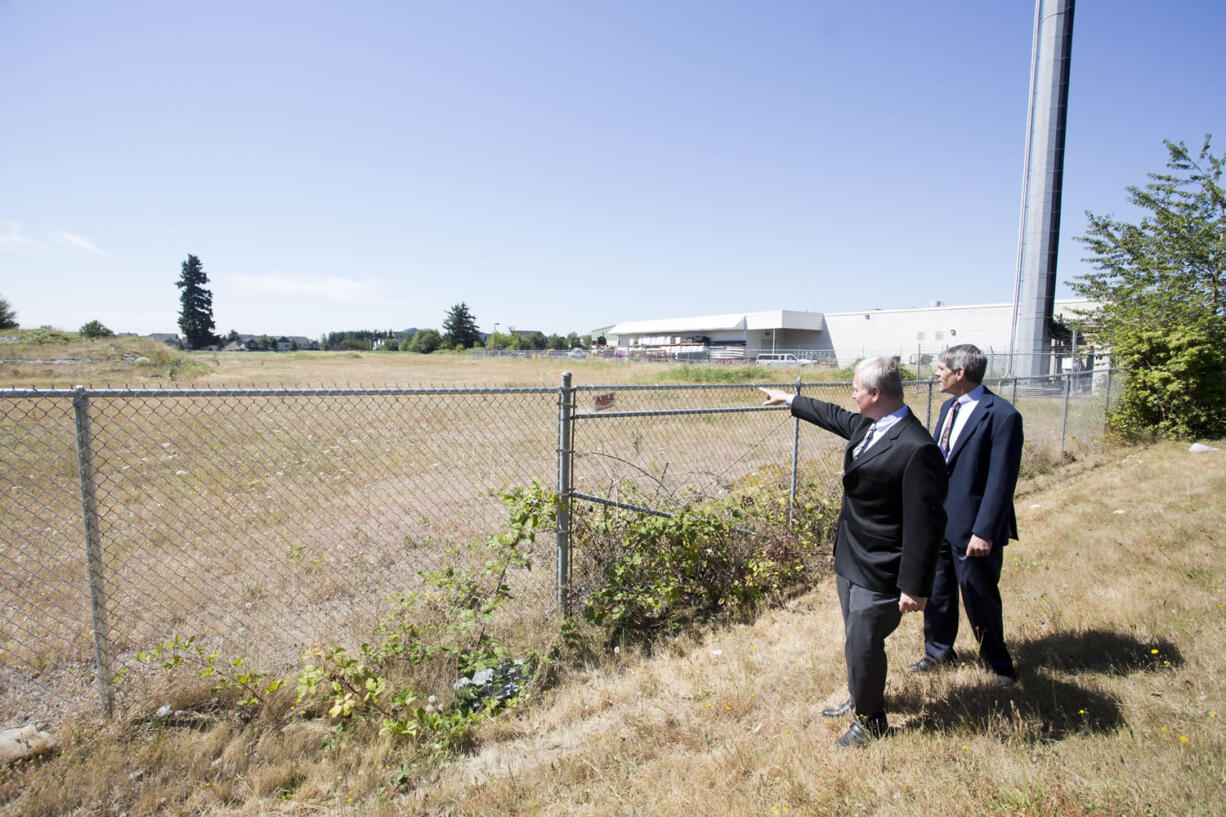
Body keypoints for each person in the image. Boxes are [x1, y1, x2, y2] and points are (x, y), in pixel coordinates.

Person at [760, 356, 947, 747]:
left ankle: (871, 722)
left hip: (882, 565)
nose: (852, 394)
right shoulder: (871, 426)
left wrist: (915, 585)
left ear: (875, 393)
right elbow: (835, 416)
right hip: (850, 556)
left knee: (863, 640)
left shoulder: (917, 447)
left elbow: (925, 524)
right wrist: (790, 400)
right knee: (854, 639)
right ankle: (861, 697)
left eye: (856, 389)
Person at [907, 344, 1024, 687]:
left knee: (979, 595)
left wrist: (984, 532)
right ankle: (938, 652)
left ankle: (998, 665)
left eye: (941, 368)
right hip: (940, 522)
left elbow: (1001, 481)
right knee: (938, 591)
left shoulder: (1002, 415)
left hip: (973, 527)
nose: (937, 374)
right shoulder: (948, 408)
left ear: (960, 373)